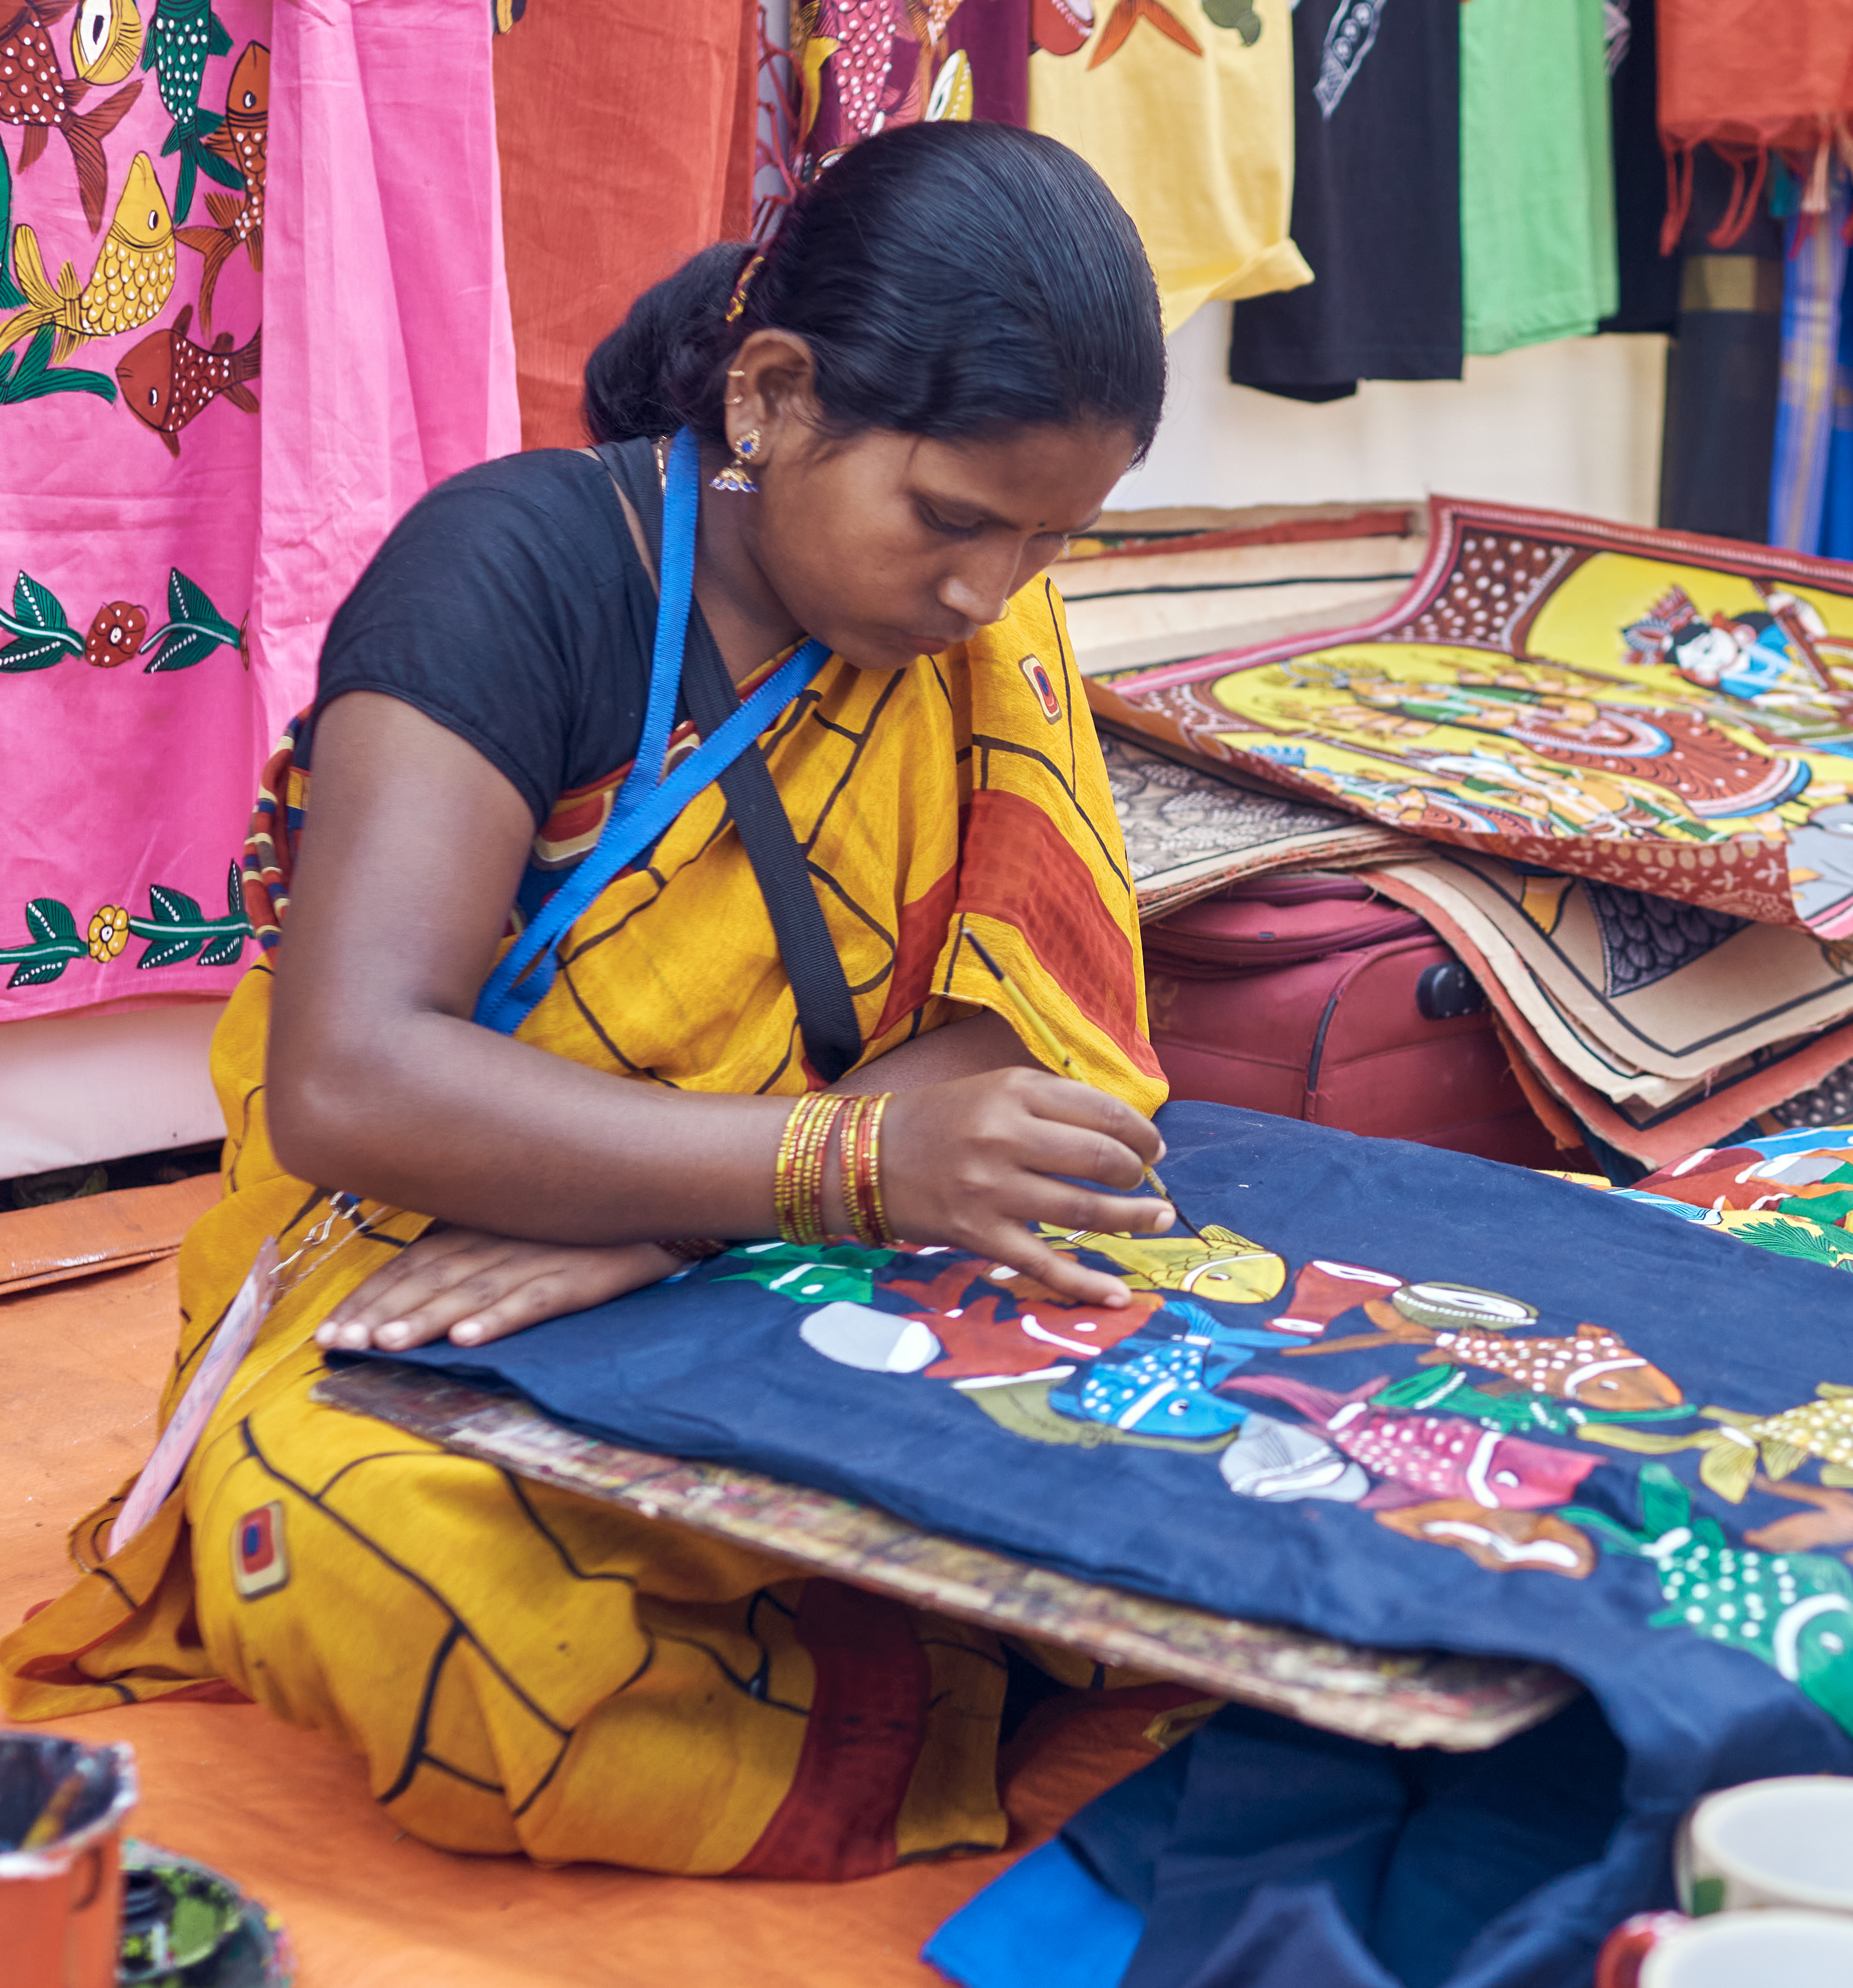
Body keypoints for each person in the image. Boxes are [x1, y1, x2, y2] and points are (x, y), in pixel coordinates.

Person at [0, 122, 1207, 1878]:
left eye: (1045, 546)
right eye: (950, 521)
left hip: (801, 1243)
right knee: (369, 1549)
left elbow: (1020, 1043)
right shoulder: (510, 573)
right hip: (440, 1255)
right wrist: (821, 1170)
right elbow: (353, 1078)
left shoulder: (979, 632)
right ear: (776, 396)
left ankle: (955, 1636)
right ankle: (978, 1705)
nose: (983, 594)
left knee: (1230, 1377)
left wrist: (688, 1219)